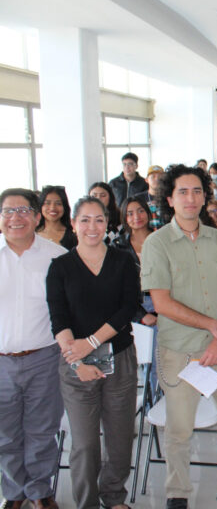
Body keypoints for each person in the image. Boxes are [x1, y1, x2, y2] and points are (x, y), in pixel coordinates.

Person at [140, 166, 217, 508]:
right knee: (179, 428)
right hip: (179, 350)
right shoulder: (156, 243)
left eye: (197, 191)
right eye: (183, 192)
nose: (191, 198)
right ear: (169, 199)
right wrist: (212, 326)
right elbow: (161, 303)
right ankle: (178, 491)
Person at [46, 196, 141, 509]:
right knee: (85, 444)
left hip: (120, 359)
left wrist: (92, 342)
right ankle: (86, 503)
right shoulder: (60, 267)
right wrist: (78, 360)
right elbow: (57, 318)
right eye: (84, 220)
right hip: (76, 365)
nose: (92, 226)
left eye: (99, 219)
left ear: (108, 223)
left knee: (120, 438)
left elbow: (128, 307)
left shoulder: (123, 260)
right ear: (73, 224)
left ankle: (113, 497)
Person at [0, 188, 66, 509]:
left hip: (44, 358)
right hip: (0, 362)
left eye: (24, 210)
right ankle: (14, 493)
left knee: (42, 431)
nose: (16, 218)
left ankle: (40, 491)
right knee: (5, 434)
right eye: (9, 211)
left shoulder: (55, 256)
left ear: (37, 217)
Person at [113, 196, 160, 392]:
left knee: (164, 359)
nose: (136, 217)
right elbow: (118, 287)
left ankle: (166, 401)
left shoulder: (162, 238)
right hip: (136, 307)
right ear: (124, 218)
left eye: (140, 211)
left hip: (164, 303)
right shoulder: (118, 246)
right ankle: (153, 406)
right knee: (149, 362)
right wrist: (141, 315)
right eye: (130, 213)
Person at [135, 165, 167, 231]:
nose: (157, 179)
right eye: (153, 177)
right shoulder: (137, 199)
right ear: (146, 180)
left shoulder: (169, 197)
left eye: (160, 177)